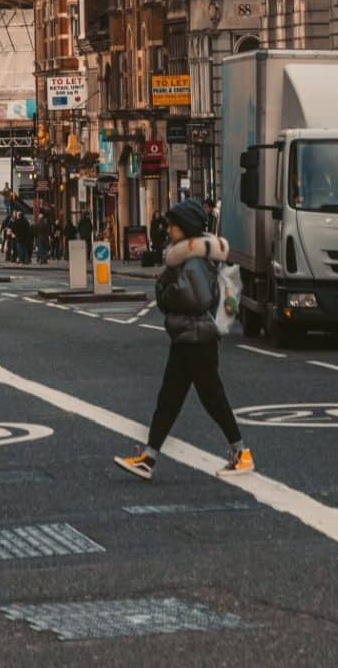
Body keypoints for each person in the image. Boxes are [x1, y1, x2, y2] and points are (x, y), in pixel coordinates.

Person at [115, 199, 251, 482]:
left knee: (211, 397)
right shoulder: (186, 259)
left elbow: (197, 298)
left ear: (185, 228)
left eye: (174, 224)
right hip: (187, 337)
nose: (169, 228)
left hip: (197, 339)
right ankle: (149, 458)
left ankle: (241, 453)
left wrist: (165, 290)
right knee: (170, 399)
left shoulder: (192, 262)